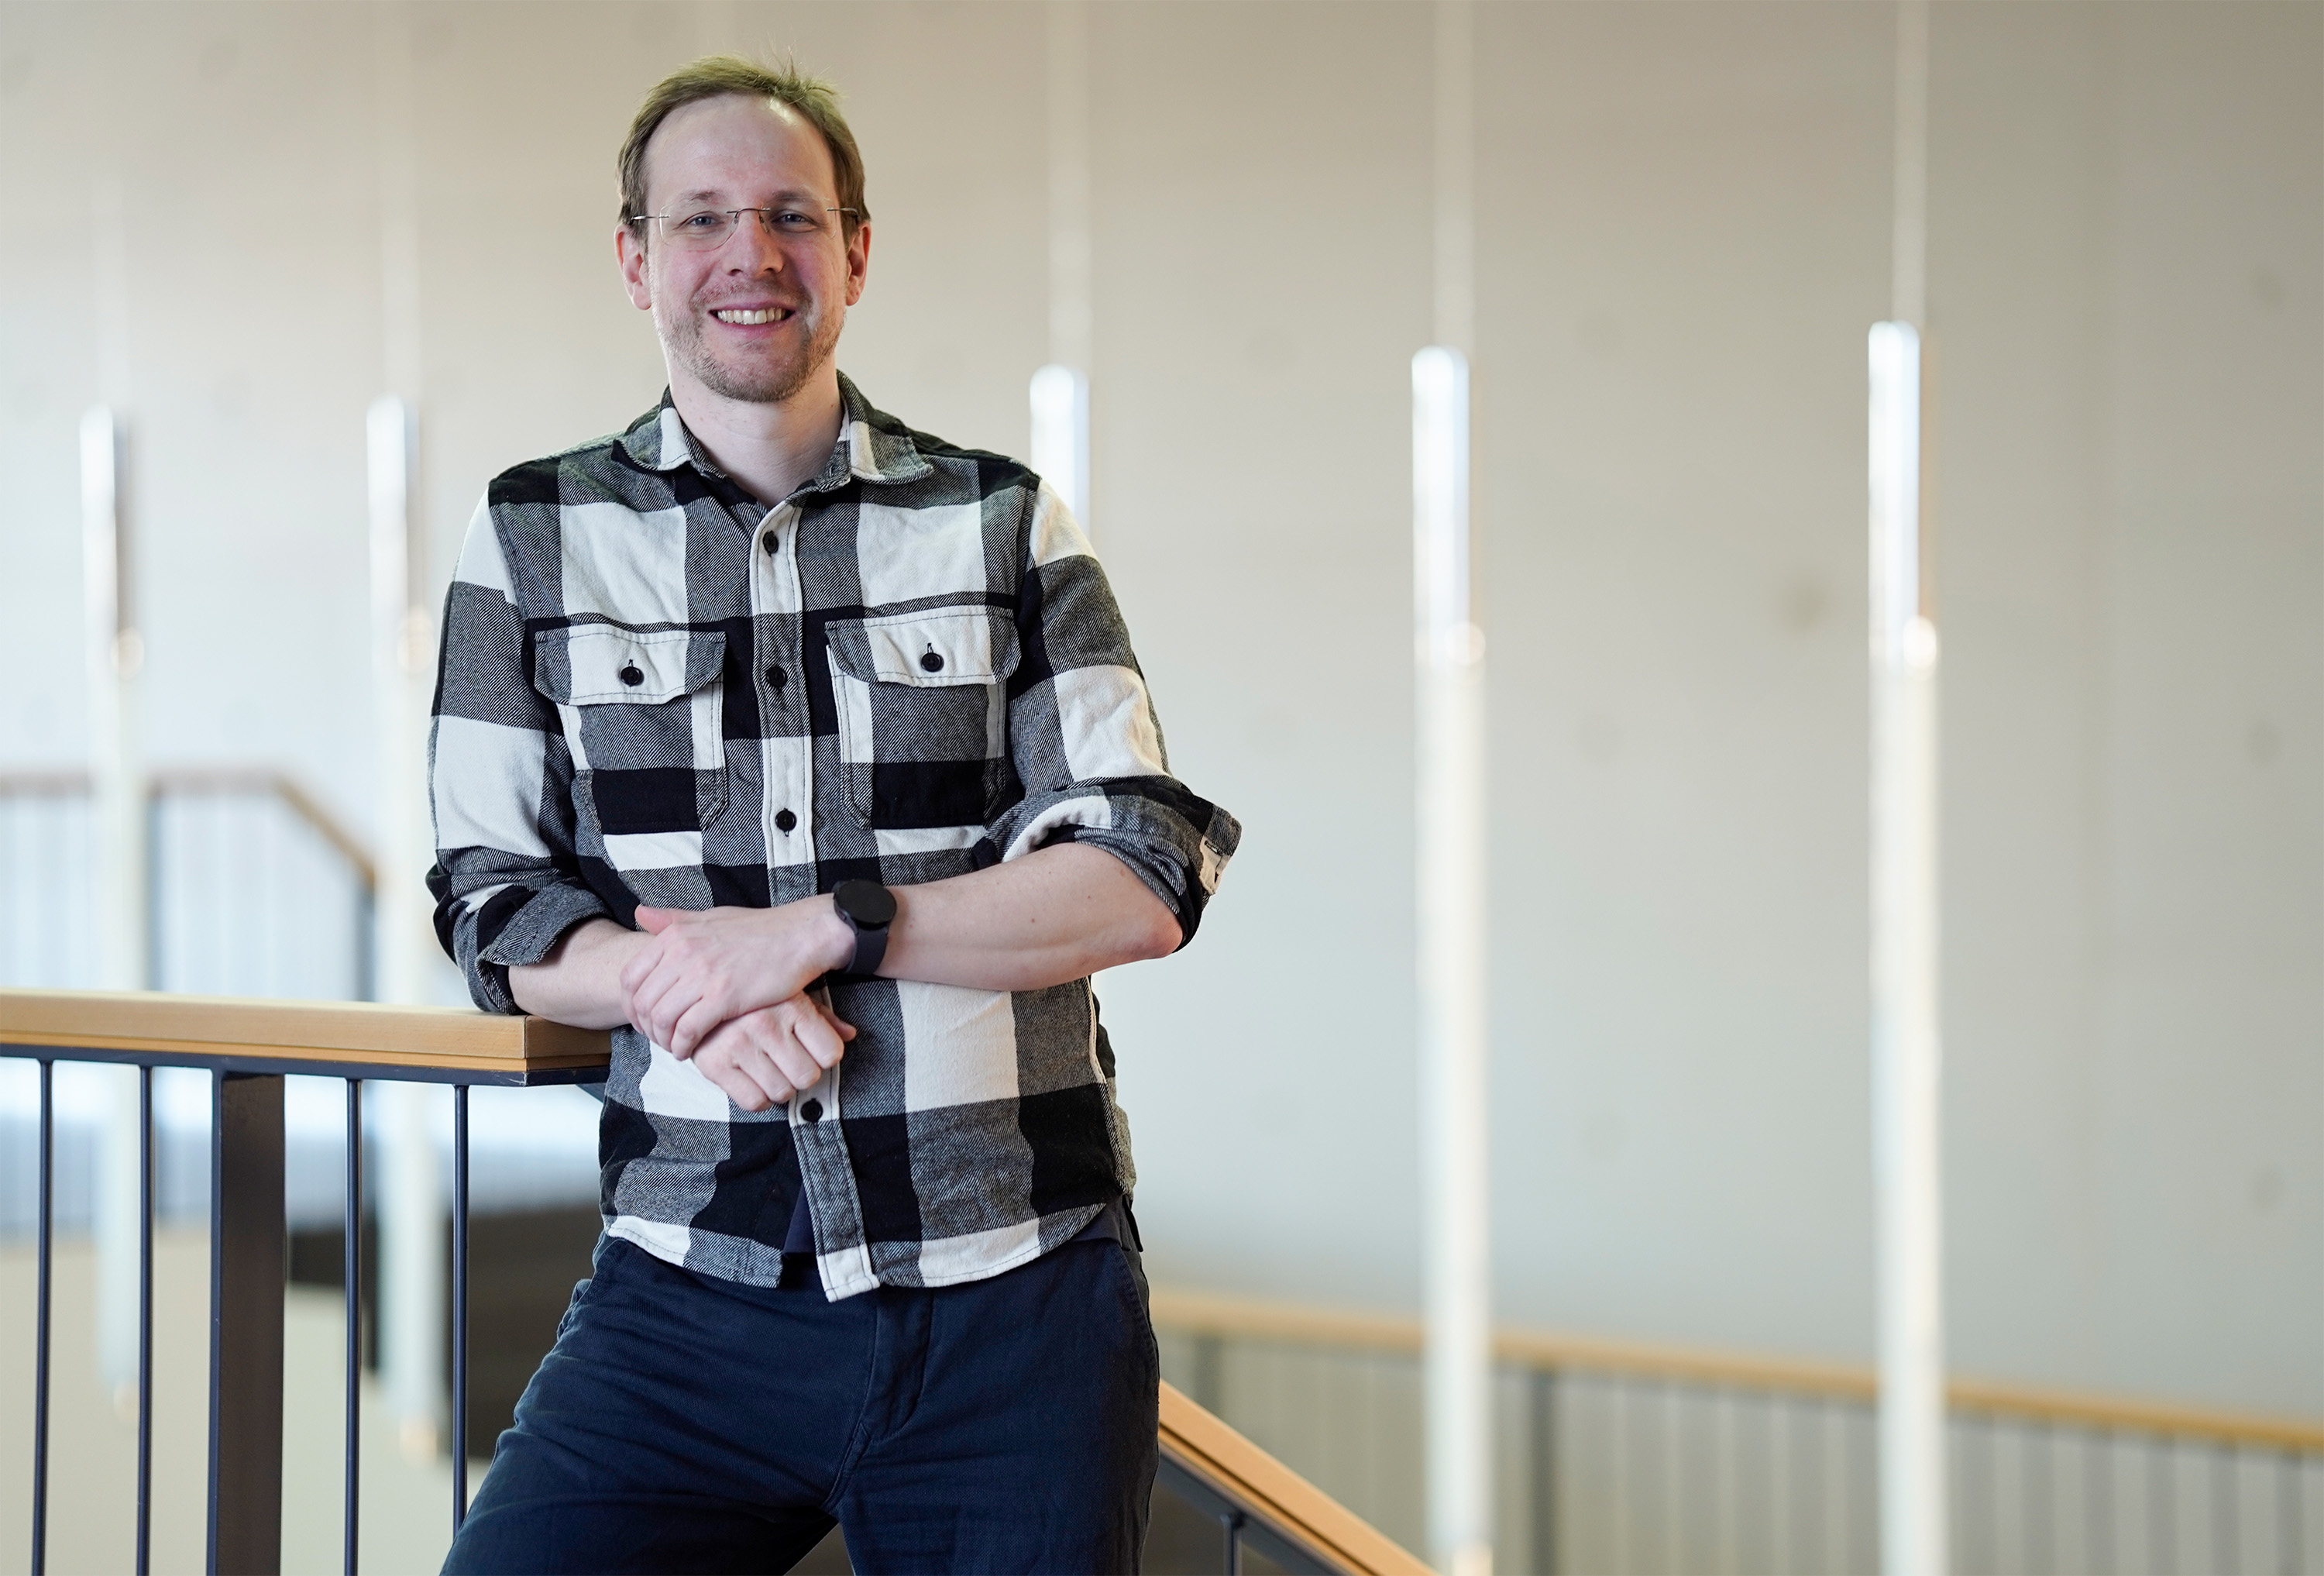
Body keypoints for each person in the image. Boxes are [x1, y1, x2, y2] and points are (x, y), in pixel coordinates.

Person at [427, 54, 1239, 1575]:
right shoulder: (531, 534)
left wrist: (822, 930)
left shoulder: (1001, 521)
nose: (751, 253)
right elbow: (489, 895)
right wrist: (685, 984)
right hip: (686, 1298)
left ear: (856, 254)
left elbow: (1141, 872)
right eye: (702, 217)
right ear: (636, 259)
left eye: (792, 215)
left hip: (1018, 1307)